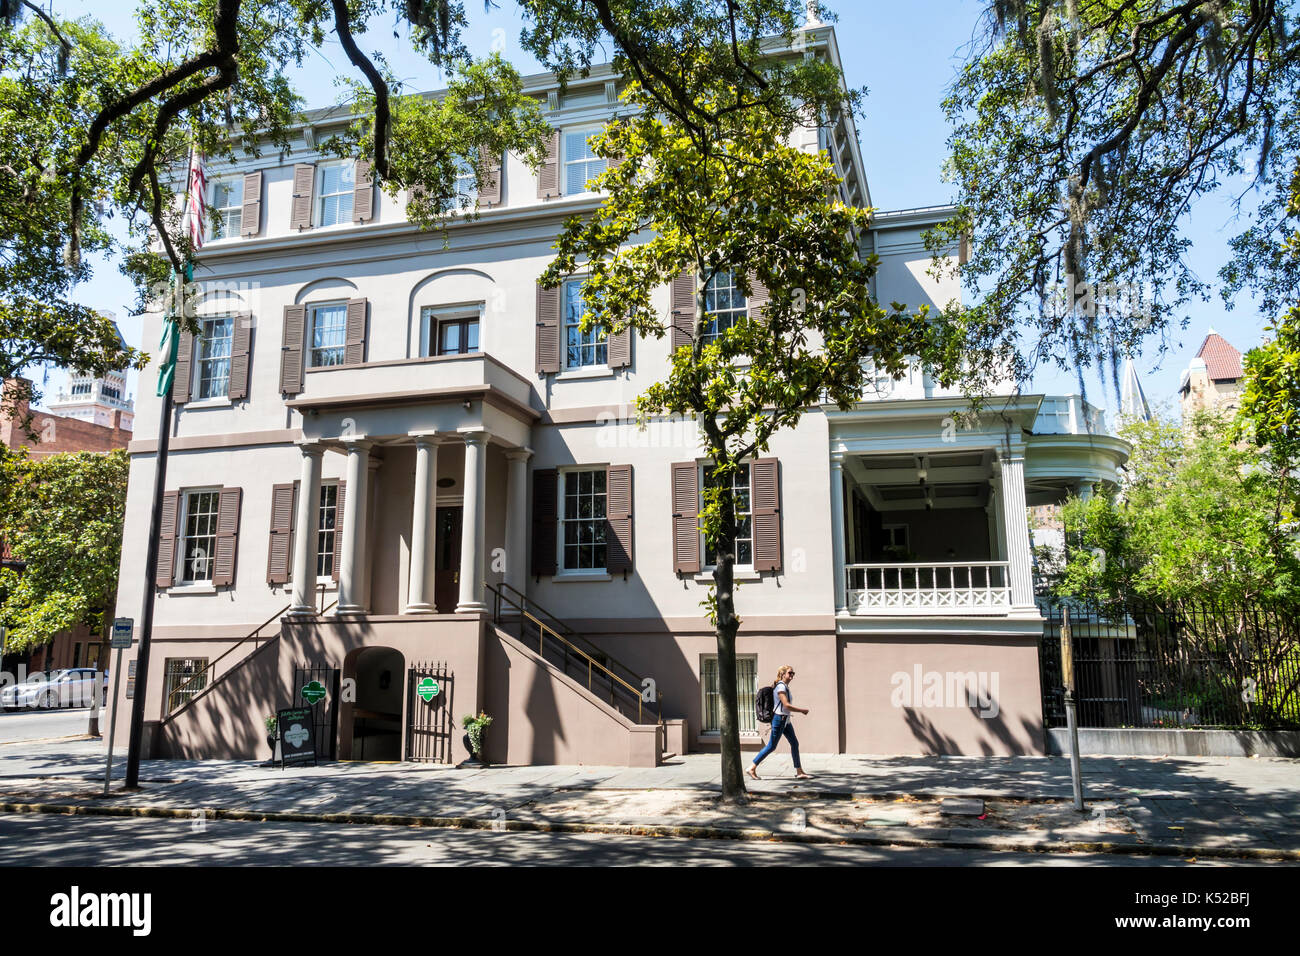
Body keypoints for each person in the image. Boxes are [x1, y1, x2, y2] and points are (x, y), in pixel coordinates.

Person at [748, 665, 812, 780]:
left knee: (794, 743)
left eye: (793, 673)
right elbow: (786, 705)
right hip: (780, 719)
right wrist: (802, 710)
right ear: (783, 674)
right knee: (772, 746)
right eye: (790, 673)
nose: (792, 675)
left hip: (785, 720)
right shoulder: (781, 687)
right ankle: (752, 767)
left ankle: (799, 771)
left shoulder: (784, 686)